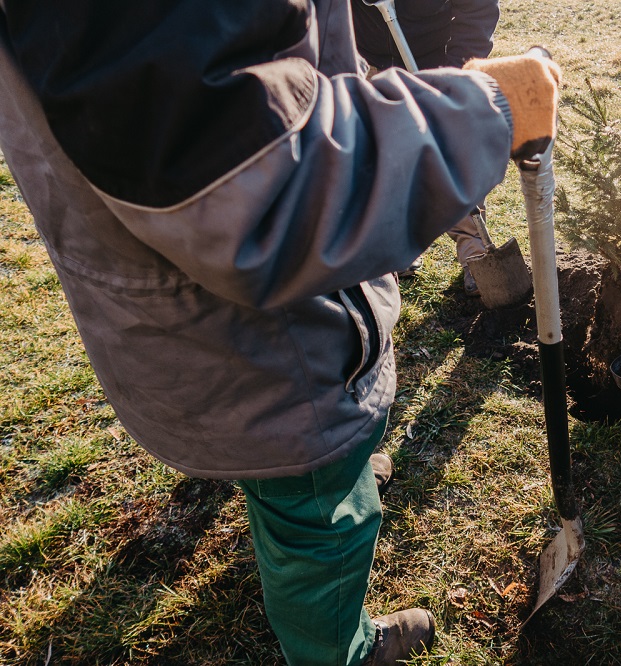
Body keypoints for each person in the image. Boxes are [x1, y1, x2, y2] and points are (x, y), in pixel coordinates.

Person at [0, 2, 559, 664]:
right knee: (319, 523)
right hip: (267, 349)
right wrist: (483, 108)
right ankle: (339, 649)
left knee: (305, 472)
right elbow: (260, 187)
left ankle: (336, 480)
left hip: (191, 317)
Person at [351, 0, 501, 296]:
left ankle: (473, 247)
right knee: (379, 155)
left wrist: (453, 77)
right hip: (364, 58)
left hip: (439, 54)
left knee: (454, 150)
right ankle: (395, 248)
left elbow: (478, 10)